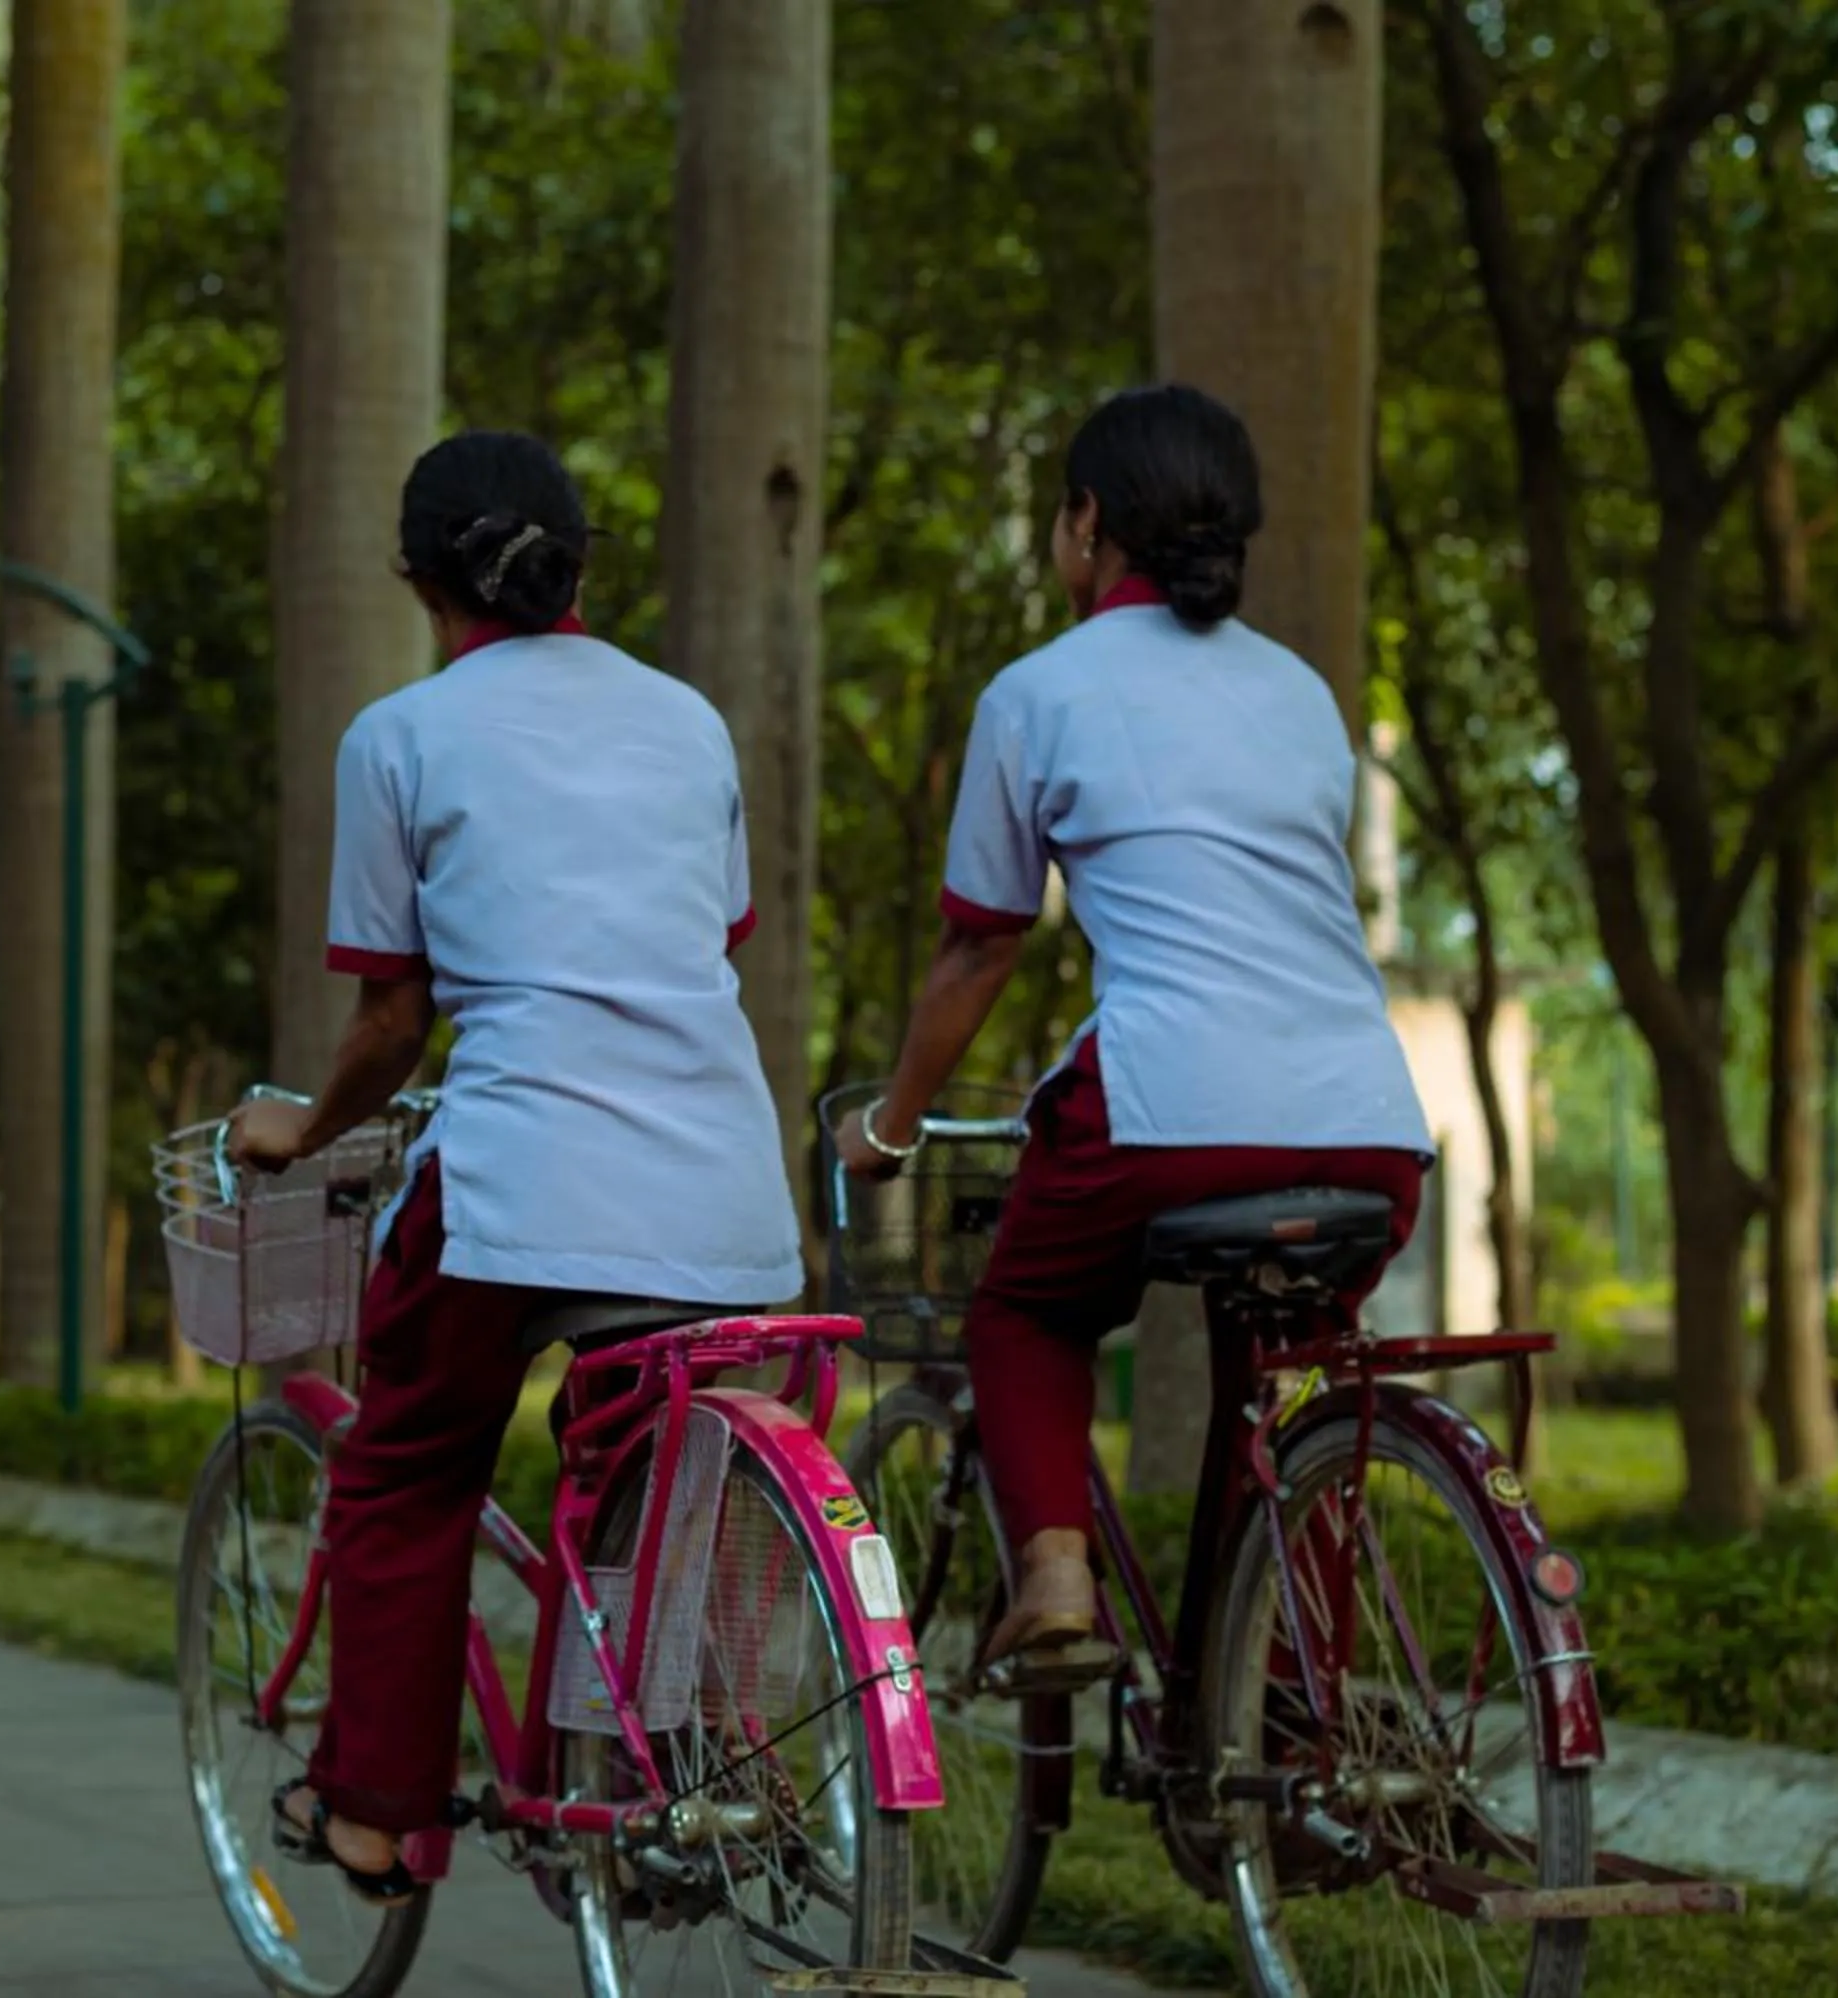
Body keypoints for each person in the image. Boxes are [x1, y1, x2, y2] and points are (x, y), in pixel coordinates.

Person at [228, 429, 803, 1904]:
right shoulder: (689, 722)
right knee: (646, 1478)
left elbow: (392, 1021)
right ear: (579, 564)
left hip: (520, 1185)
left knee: (402, 1469)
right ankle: (652, 1768)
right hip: (722, 1188)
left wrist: (304, 1125)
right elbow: (698, 942)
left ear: (419, 579)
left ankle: (374, 1812)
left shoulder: (401, 736)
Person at [836, 383, 1434, 1693]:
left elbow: (981, 945)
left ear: (1087, 522)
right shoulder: (1300, 693)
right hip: (1372, 1127)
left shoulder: (1037, 693)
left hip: (1167, 1110)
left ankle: (1055, 1577)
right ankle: (1292, 1730)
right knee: (1288, 1383)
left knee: (1025, 1312)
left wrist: (889, 1126)